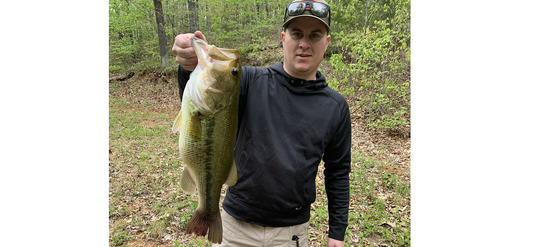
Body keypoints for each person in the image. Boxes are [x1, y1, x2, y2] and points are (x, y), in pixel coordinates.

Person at [171, 0, 351, 246]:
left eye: (315, 35)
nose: (304, 44)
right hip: (235, 227)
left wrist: (337, 233)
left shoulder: (335, 106)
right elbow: (202, 107)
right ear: (283, 38)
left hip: (291, 234)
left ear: (326, 42)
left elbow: (338, 172)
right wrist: (188, 65)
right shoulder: (251, 81)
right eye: (297, 34)